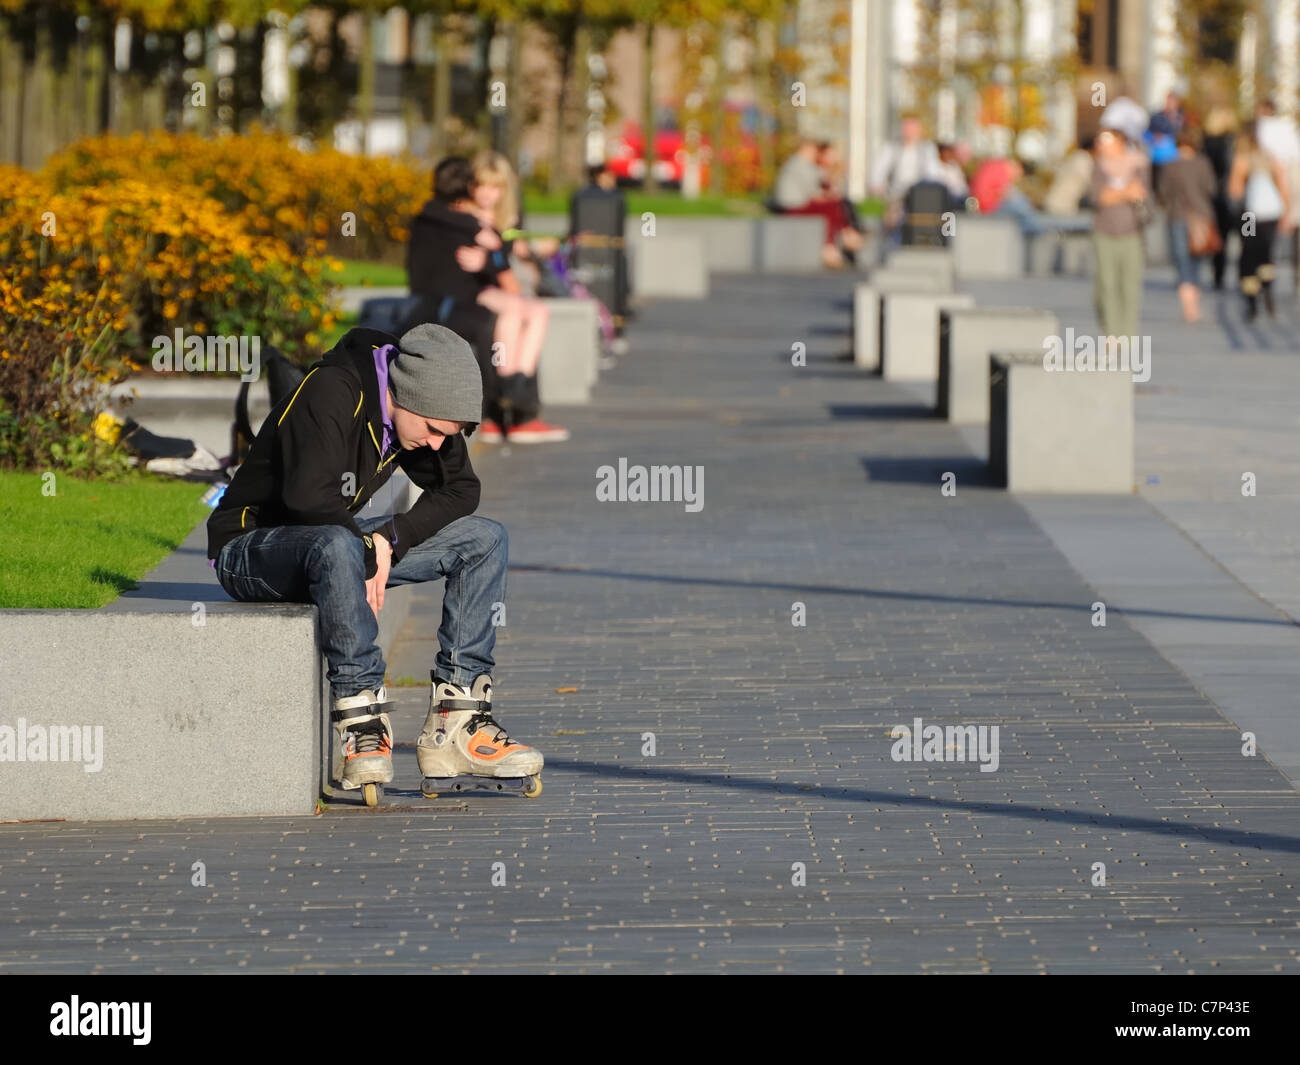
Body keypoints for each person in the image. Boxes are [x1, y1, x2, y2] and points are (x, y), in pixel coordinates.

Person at [207, 323, 544, 804]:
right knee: (337, 545)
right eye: (430, 430)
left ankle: (458, 724)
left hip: (335, 544)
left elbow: (462, 489)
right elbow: (307, 500)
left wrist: (389, 537)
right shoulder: (331, 390)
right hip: (252, 549)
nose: (434, 445)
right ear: (405, 393)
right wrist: (367, 548)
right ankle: (361, 718)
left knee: (485, 539)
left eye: (445, 435)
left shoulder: (423, 418)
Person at [470, 151, 569, 443]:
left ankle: (516, 390)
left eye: (496, 187)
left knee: (535, 312)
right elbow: (497, 271)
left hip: (498, 292)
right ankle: (510, 398)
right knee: (515, 313)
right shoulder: (470, 219)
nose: (488, 194)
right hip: (474, 293)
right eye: (482, 185)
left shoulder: (504, 222)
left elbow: (508, 266)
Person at [1227, 120, 1293, 321]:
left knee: (1249, 255)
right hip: (1271, 214)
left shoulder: (1242, 158)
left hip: (1250, 215)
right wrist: (1286, 212)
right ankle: (1268, 291)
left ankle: (1252, 301)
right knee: (1266, 254)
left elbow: (1235, 189)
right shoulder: (1270, 157)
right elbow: (1283, 186)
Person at [1090, 128, 1151, 340]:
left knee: (1129, 286)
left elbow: (1142, 194)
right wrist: (1125, 193)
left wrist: (1116, 194)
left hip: (1131, 232)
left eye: (1107, 139)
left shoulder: (1138, 165)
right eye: (1100, 139)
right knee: (1106, 285)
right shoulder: (1098, 166)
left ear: (1120, 142)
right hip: (1104, 231)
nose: (1101, 144)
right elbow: (1099, 198)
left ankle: (1127, 335)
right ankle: (1110, 333)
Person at [1155, 126, 1218, 323]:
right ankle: (1193, 294)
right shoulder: (1203, 164)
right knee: (1197, 257)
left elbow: (1162, 193)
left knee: (1181, 258)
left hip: (1177, 216)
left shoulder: (1170, 166)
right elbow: (1211, 188)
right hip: (1201, 216)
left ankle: (1187, 297)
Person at [772, 139, 862, 268]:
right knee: (831, 207)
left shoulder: (804, 164)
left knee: (837, 205)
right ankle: (838, 241)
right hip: (793, 205)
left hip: (798, 202)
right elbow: (814, 192)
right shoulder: (799, 164)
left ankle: (842, 237)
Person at [869, 114, 943, 246]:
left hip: (920, 197)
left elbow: (933, 175)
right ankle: (893, 245)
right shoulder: (891, 148)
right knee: (893, 217)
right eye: (906, 127)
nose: (908, 131)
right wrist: (881, 190)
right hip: (896, 197)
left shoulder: (927, 149)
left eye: (912, 128)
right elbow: (877, 175)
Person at [1201, 107, 1237, 290]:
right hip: (1235, 198)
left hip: (1213, 197)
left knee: (1219, 238)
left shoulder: (1205, 143)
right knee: (1247, 235)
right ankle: (1247, 276)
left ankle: (1218, 276)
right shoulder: (1233, 142)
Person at [1044, 135, 1095, 216]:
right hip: (1062, 204)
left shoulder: (1076, 157)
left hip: (1057, 202)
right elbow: (1091, 182)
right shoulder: (1083, 159)